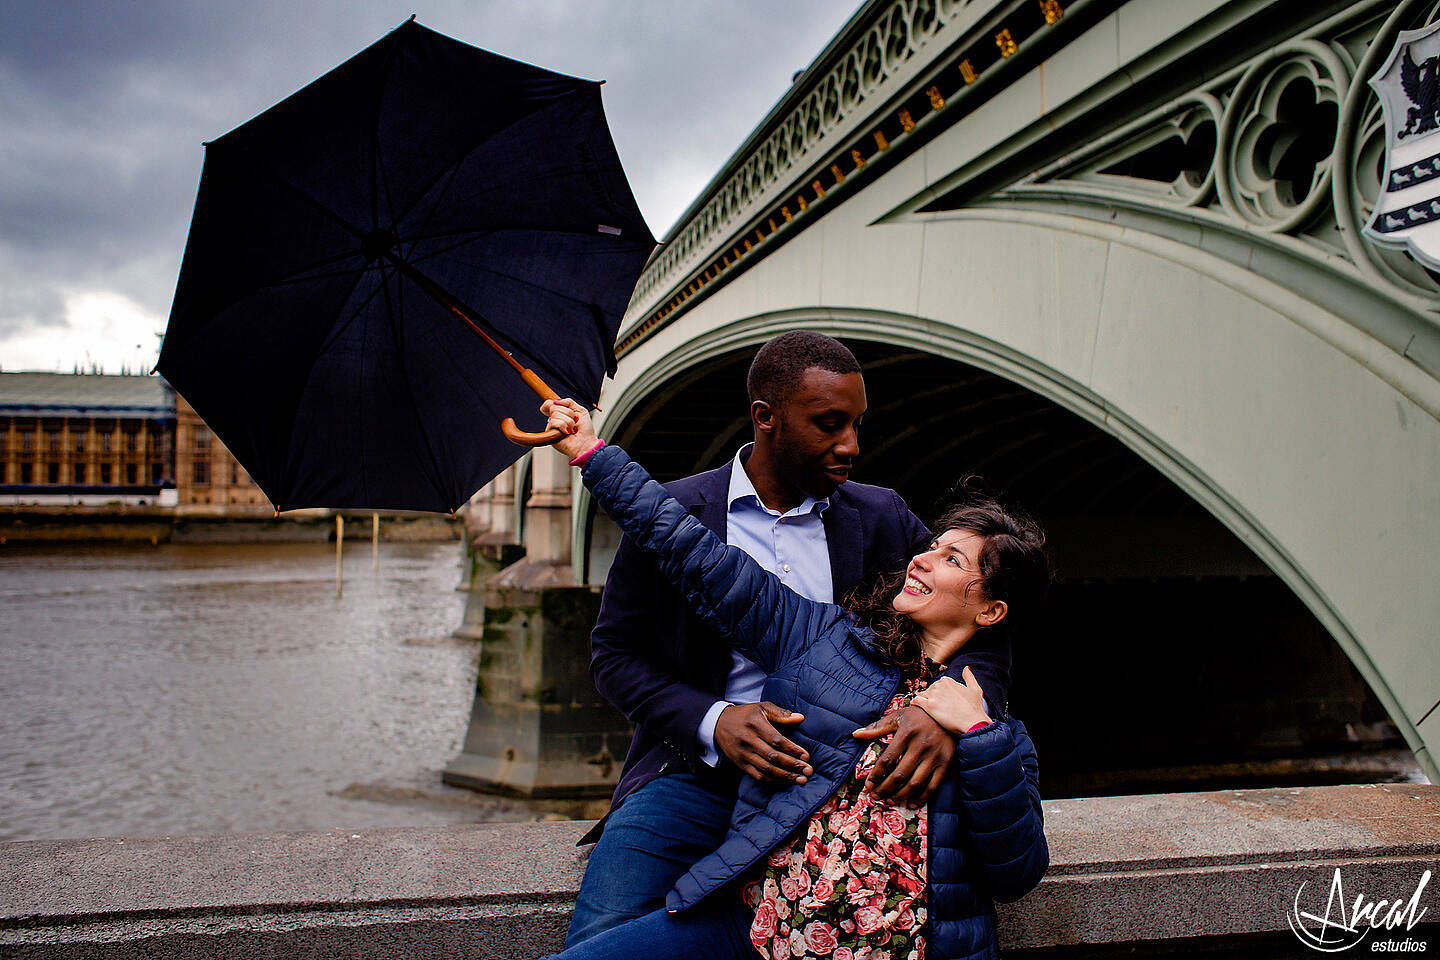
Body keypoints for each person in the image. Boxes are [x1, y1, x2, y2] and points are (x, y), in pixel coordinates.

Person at [541, 398, 1048, 960]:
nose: (921, 558)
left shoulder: (998, 738)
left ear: (989, 610)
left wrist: (973, 731)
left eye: (951, 559)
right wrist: (591, 453)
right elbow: (694, 556)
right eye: (931, 546)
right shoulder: (821, 639)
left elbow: (1016, 872)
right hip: (760, 928)